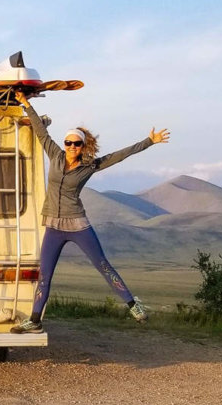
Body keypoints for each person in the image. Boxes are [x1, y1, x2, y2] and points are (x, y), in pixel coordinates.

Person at [10, 91, 171, 334]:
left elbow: (119, 156)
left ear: (83, 146)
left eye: (76, 143)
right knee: (45, 275)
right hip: (53, 225)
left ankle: (132, 304)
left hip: (77, 225)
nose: (71, 147)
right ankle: (34, 320)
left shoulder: (90, 166)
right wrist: (25, 103)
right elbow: (40, 130)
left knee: (102, 264)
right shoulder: (54, 154)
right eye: (68, 143)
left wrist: (149, 141)